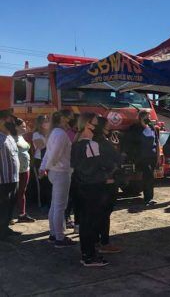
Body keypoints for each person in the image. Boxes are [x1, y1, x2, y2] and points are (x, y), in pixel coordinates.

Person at [71, 113, 118, 267]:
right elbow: (98, 166)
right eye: (95, 123)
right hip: (93, 187)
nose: (97, 126)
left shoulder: (77, 144)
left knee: (85, 222)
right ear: (87, 125)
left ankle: (87, 254)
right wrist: (106, 176)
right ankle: (90, 256)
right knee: (91, 223)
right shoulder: (91, 145)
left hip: (81, 186)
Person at [40, 109, 77, 247]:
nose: (72, 121)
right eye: (71, 118)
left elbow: (48, 154)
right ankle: (59, 238)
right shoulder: (61, 134)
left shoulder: (53, 133)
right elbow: (54, 154)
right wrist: (48, 166)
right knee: (60, 206)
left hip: (56, 172)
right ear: (63, 119)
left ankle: (54, 234)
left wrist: (44, 167)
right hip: (61, 172)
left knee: (55, 206)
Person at [93, 117, 122, 255]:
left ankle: (97, 240)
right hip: (107, 180)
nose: (110, 128)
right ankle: (104, 242)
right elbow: (111, 160)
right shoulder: (103, 142)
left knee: (100, 213)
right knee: (104, 213)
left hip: (98, 181)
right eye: (107, 126)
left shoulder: (95, 140)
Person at [123, 111, 160, 206]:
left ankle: (149, 197)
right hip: (141, 157)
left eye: (149, 117)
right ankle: (148, 198)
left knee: (150, 176)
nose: (149, 119)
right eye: (147, 117)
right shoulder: (134, 129)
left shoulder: (152, 128)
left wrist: (158, 156)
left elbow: (156, 142)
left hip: (151, 156)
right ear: (141, 118)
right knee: (148, 175)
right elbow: (128, 143)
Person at [0, 109, 20, 240]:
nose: (12, 122)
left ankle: (5, 228)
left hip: (13, 178)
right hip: (2, 180)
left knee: (10, 206)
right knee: (2, 207)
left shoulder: (10, 137)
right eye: (9, 119)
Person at [14, 118, 35, 223]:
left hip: (25, 169)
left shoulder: (22, 137)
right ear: (15, 127)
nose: (25, 128)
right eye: (22, 126)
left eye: (25, 126)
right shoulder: (10, 138)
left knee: (22, 192)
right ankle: (9, 216)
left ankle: (22, 214)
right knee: (12, 193)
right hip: (15, 170)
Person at [31, 115, 50, 208]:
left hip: (50, 160)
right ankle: (42, 204)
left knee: (49, 183)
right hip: (39, 160)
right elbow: (42, 147)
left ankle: (49, 202)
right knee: (42, 183)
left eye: (48, 121)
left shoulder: (51, 133)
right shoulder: (36, 134)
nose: (47, 123)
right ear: (40, 123)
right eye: (45, 121)